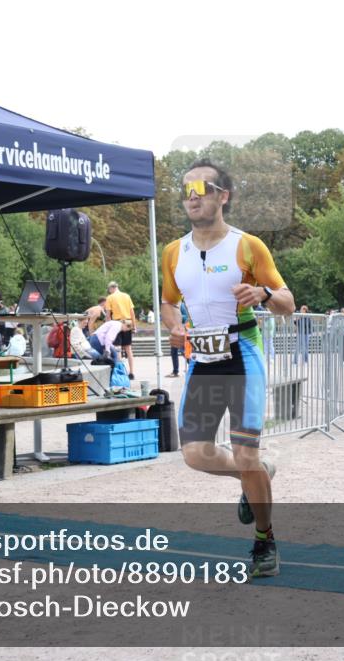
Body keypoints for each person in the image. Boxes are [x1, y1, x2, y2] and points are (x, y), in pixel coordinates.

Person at [161, 159, 294, 578]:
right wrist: (174, 325)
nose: (193, 195)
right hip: (203, 359)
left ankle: (264, 540)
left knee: (244, 451)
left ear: (223, 195)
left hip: (242, 353)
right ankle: (258, 472)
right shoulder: (173, 252)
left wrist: (263, 292)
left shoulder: (247, 246)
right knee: (195, 455)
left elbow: (288, 303)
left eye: (202, 187)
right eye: (186, 189)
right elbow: (167, 301)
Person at [105, 281, 137, 379]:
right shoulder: (127, 296)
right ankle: (131, 373)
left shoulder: (110, 298)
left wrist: (108, 326)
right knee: (128, 349)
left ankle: (120, 372)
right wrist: (134, 326)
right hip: (128, 323)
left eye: (109, 290)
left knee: (118, 349)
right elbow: (132, 313)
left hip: (117, 323)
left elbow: (108, 315)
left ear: (111, 288)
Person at [168, 303, 190, 377]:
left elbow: (186, 317)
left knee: (183, 351)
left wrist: (177, 317)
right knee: (173, 352)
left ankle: (190, 366)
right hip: (174, 331)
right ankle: (175, 371)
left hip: (182, 331)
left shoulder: (181, 305)